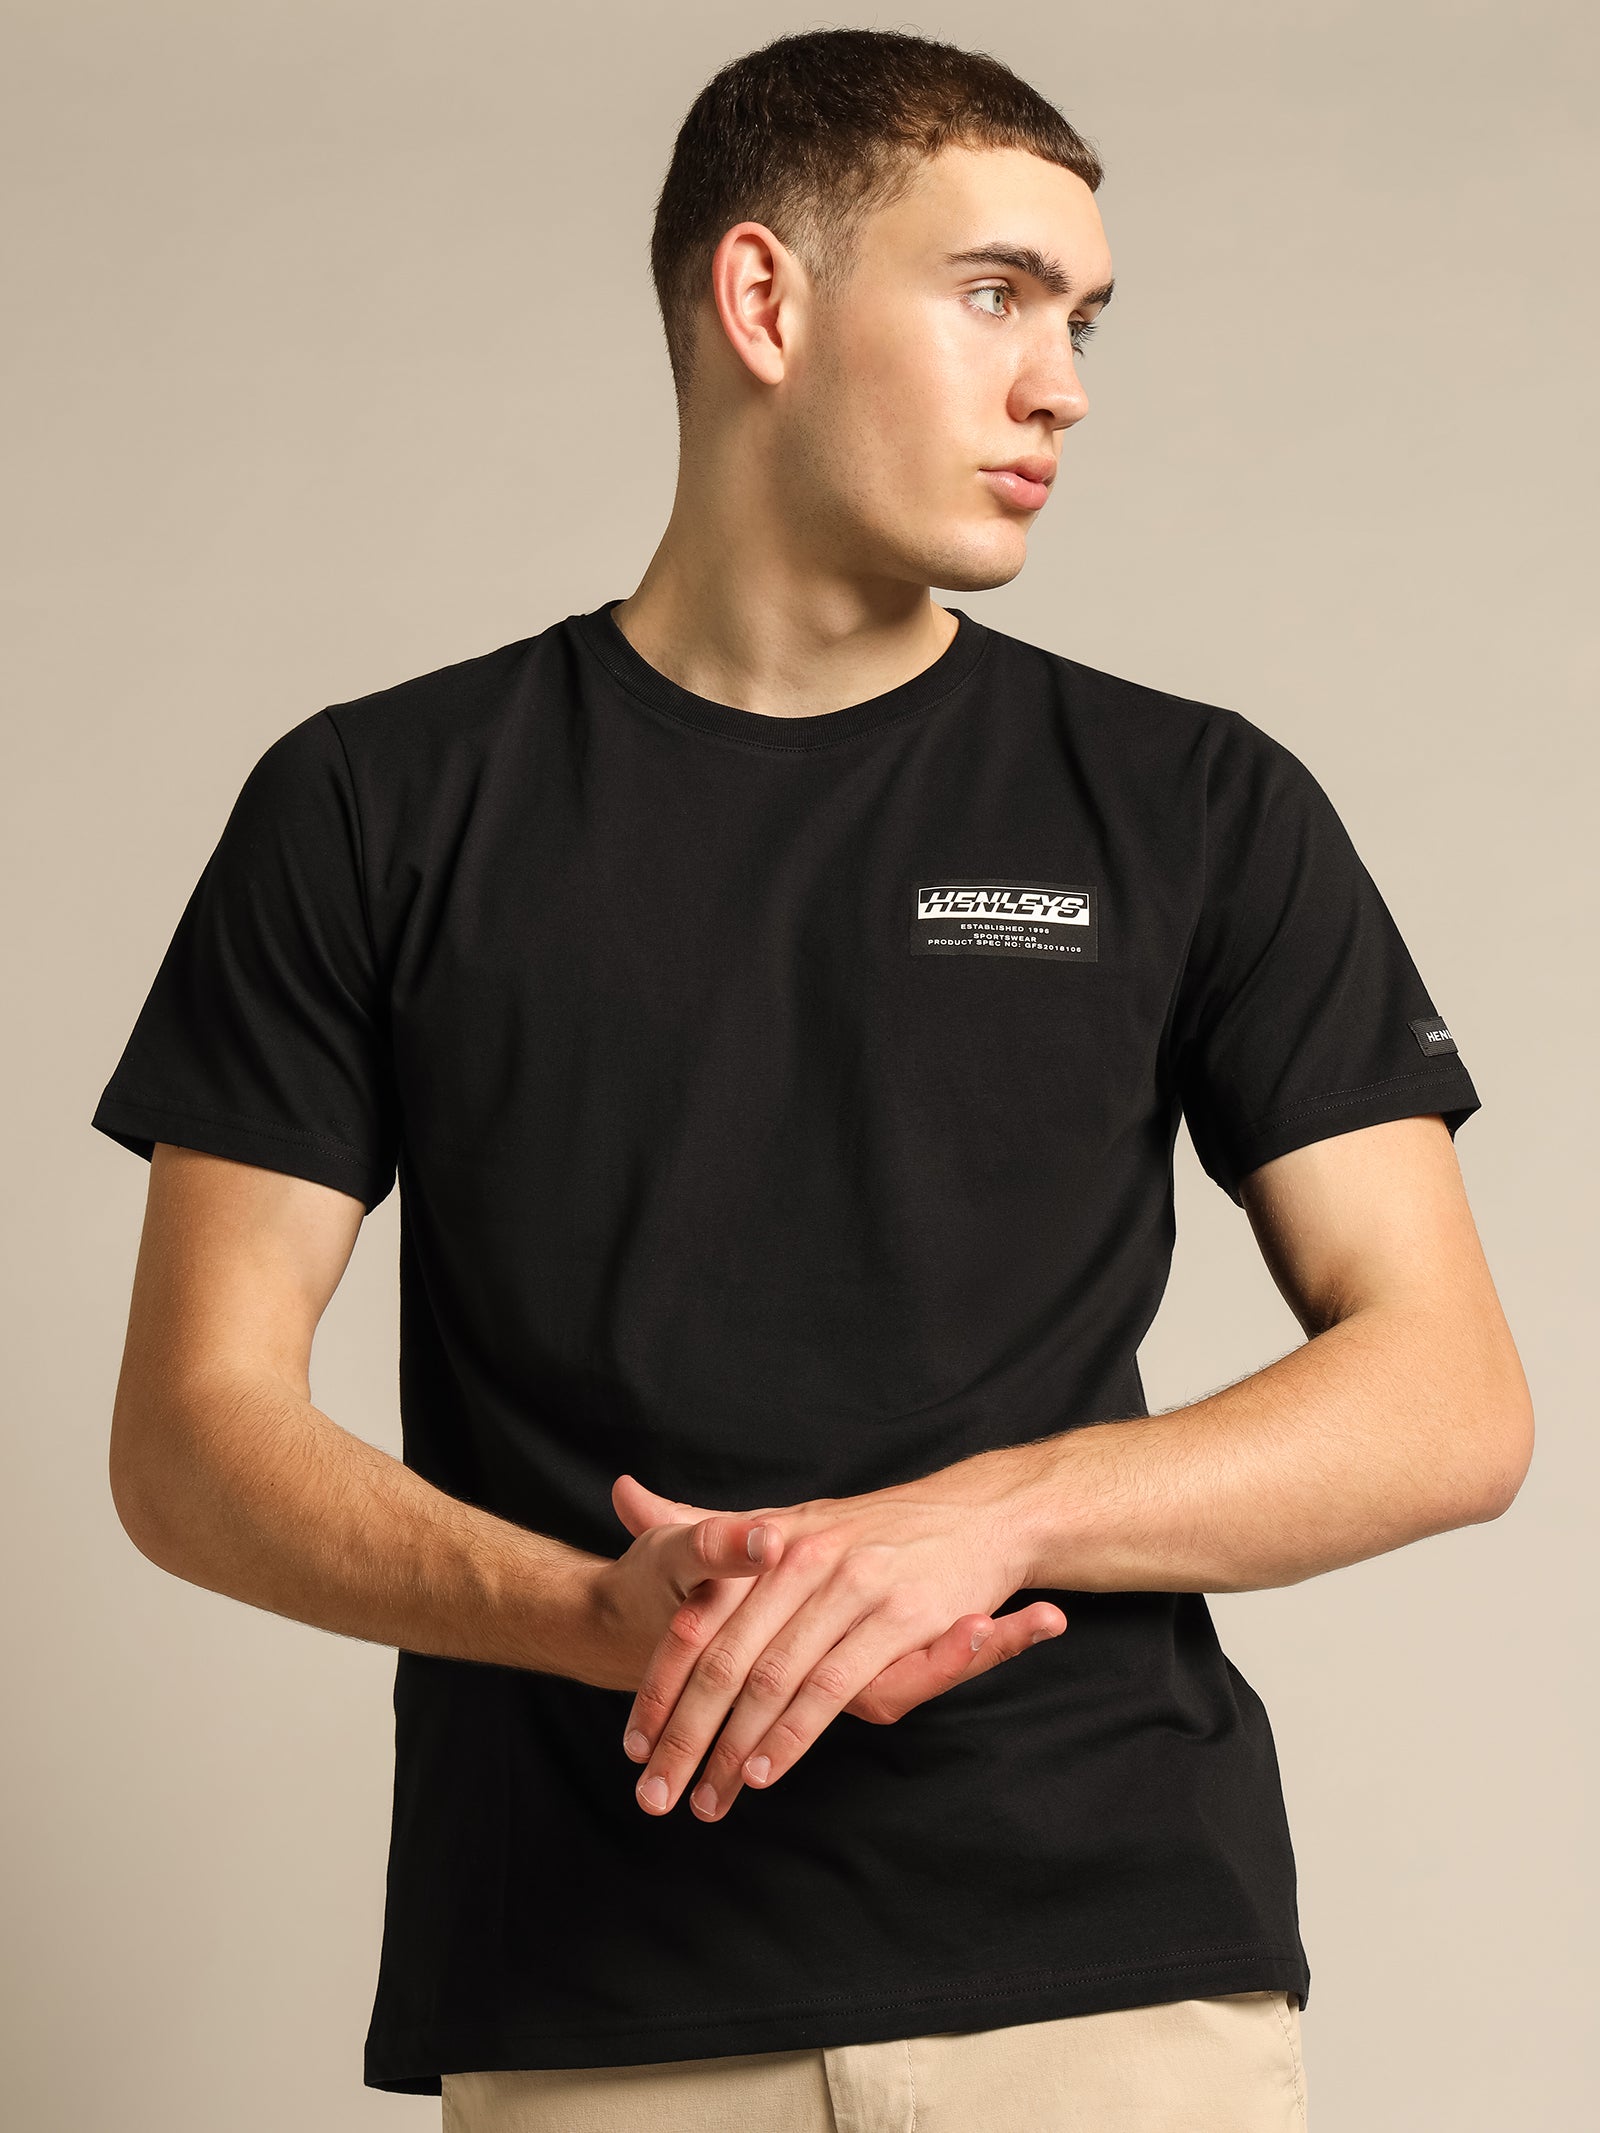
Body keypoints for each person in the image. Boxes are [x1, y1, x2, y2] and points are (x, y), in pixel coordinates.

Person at [91, 26, 1532, 2133]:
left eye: (1080, 319)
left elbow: (1450, 1392)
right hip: (596, 2002)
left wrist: (973, 1523)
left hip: (1108, 1982)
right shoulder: (374, 805)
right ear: (762, 300)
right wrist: (595, 1616)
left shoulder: (1193, 801)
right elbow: (189, 1435)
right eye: (994, 293)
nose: (1059, 384)